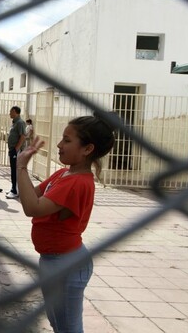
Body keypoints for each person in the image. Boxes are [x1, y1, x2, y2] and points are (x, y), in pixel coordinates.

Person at [15, 115, 115, 333]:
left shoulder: (77, 182)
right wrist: (21, 170)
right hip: (52, 260)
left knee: (68, 328)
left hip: (66, 264)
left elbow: (32, 208)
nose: (59, 145)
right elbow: (31, 196)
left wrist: (21, 167)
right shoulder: (64, 173)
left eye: (67, 140)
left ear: (87, 149)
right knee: (58, 324)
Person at [6, 106, 26, 199]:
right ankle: (14, 188)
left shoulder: (20, 123)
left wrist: (16, 149)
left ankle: (15, 191)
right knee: (13, 170)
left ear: (15, 112)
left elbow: (22, 136)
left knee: (15, 170)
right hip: (13, 150)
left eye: (10, 112)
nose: (9, 113)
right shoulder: (14, 122)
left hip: (16, 151)